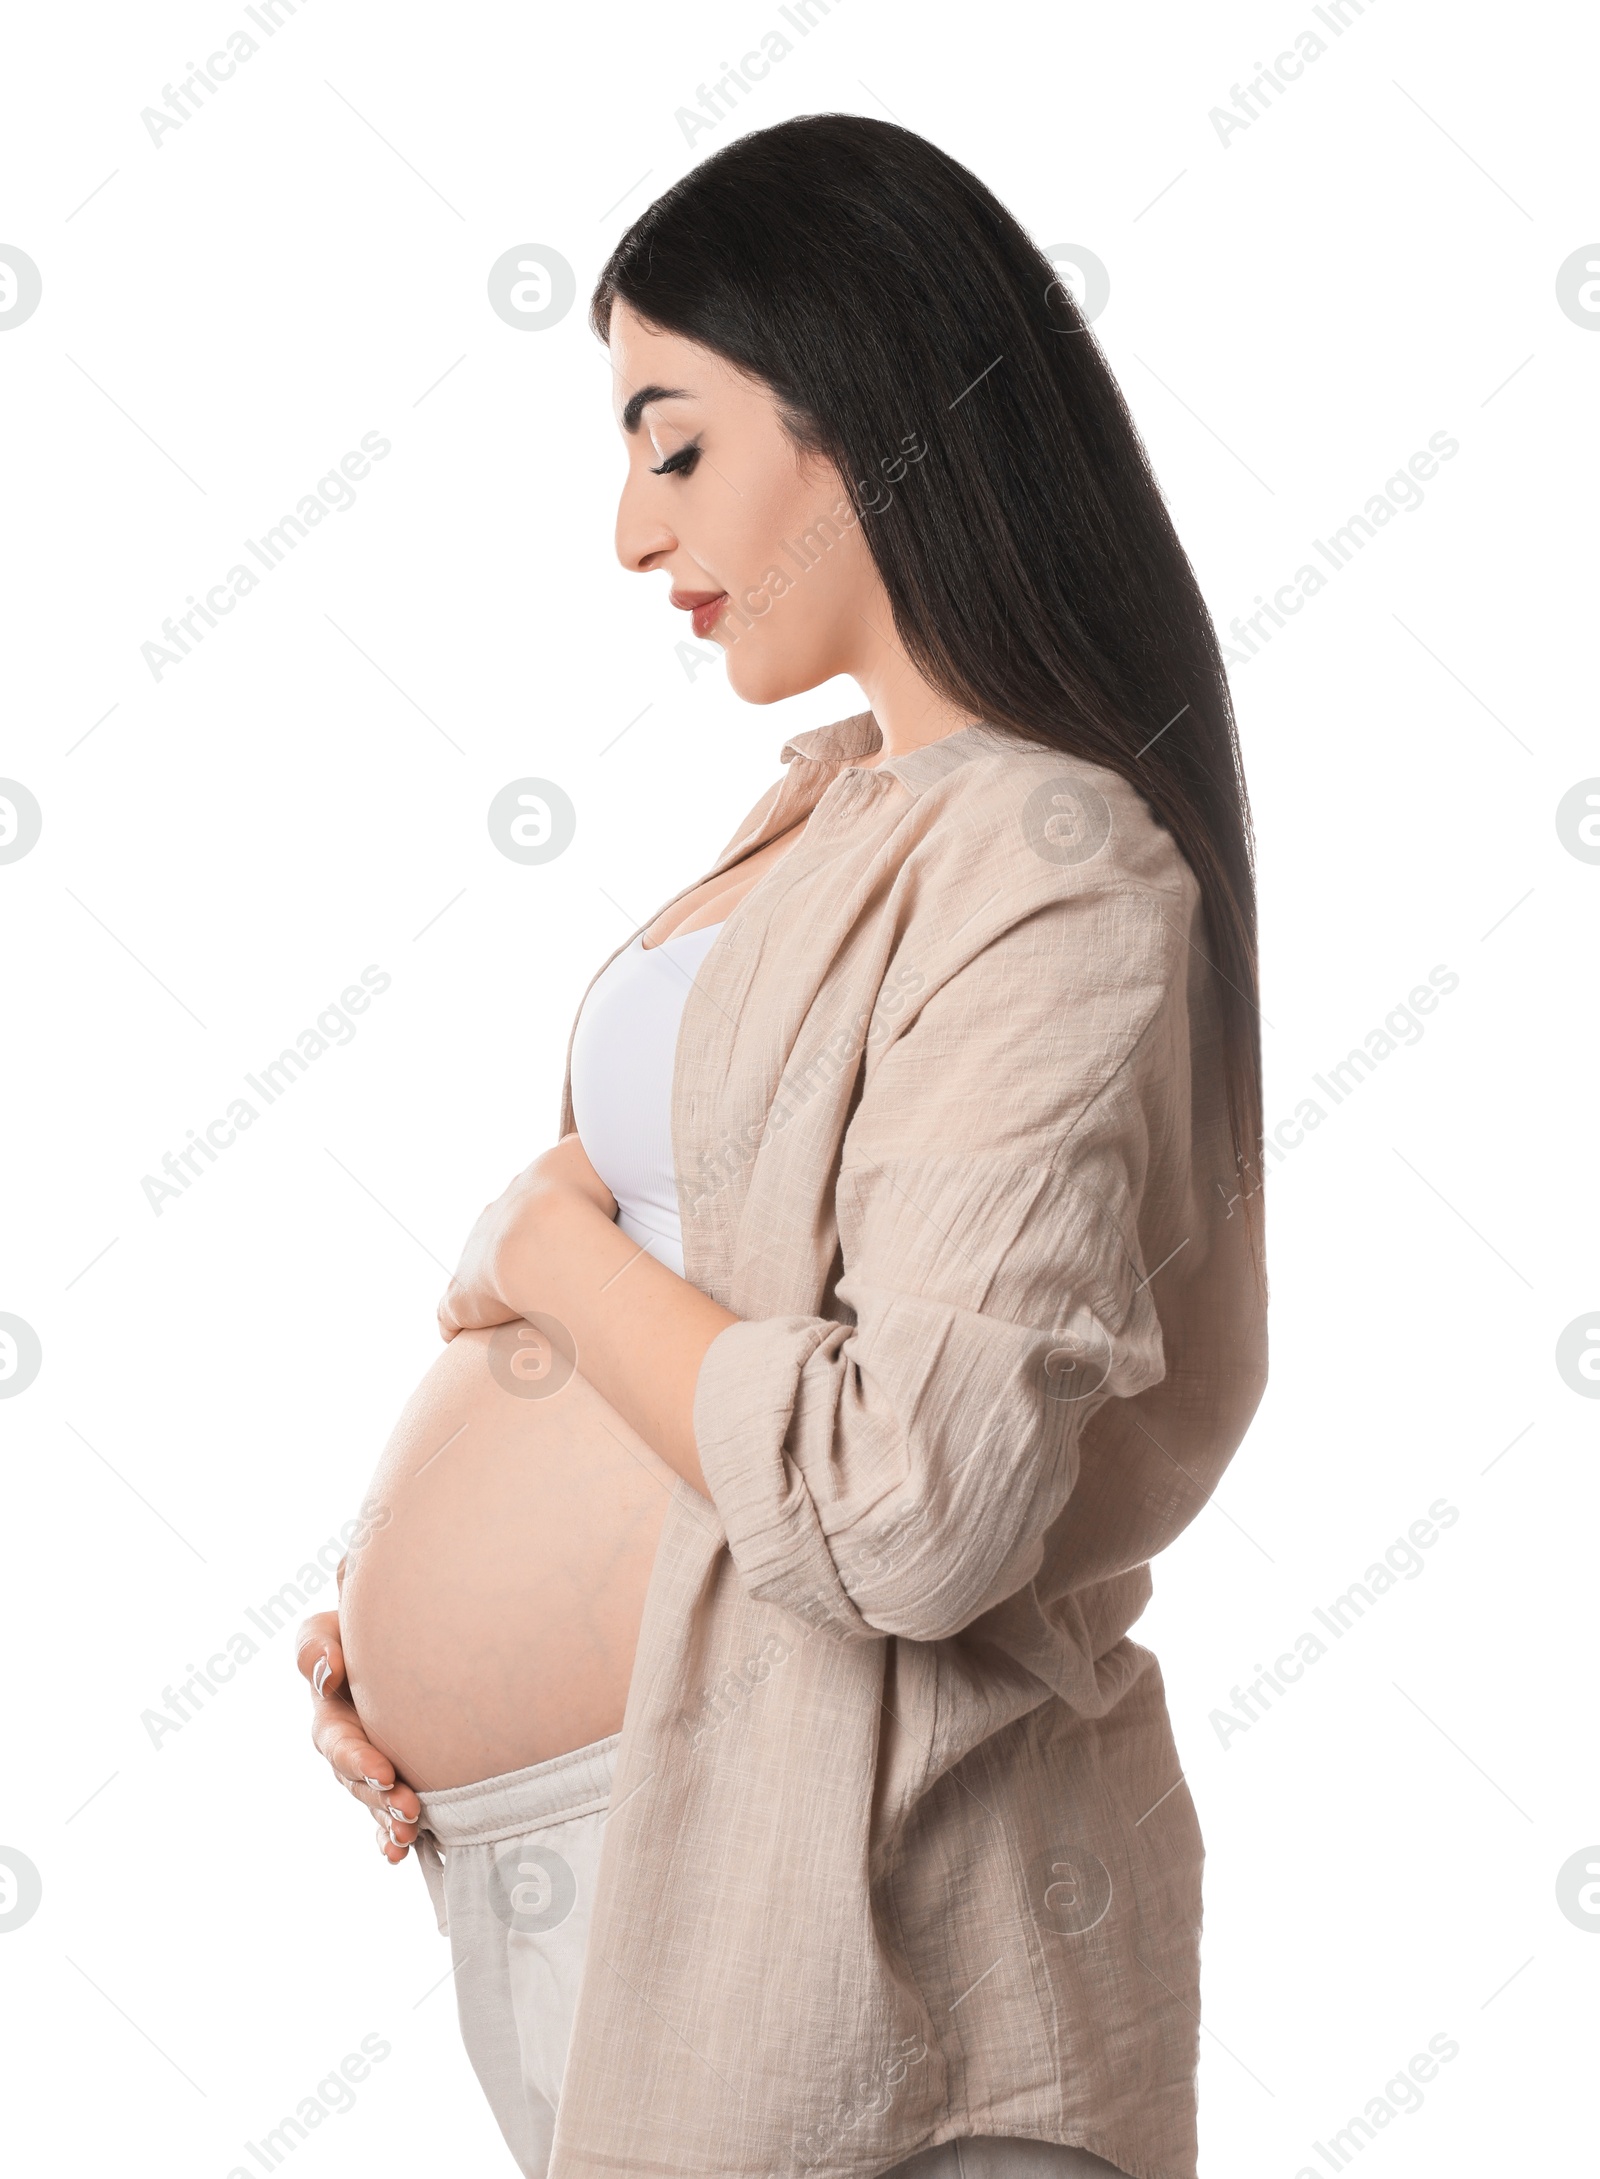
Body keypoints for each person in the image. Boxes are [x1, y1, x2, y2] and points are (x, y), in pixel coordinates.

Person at [296, 113, 1269, 2179]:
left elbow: (911, 1508)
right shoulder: (828, 808)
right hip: (634, 1881)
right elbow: (728, 1296)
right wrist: (402, 1650)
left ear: (869, 412)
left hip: (878, 1962)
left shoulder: (1048, 855)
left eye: (671, 440)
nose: (631, 537)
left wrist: (540, 1259)